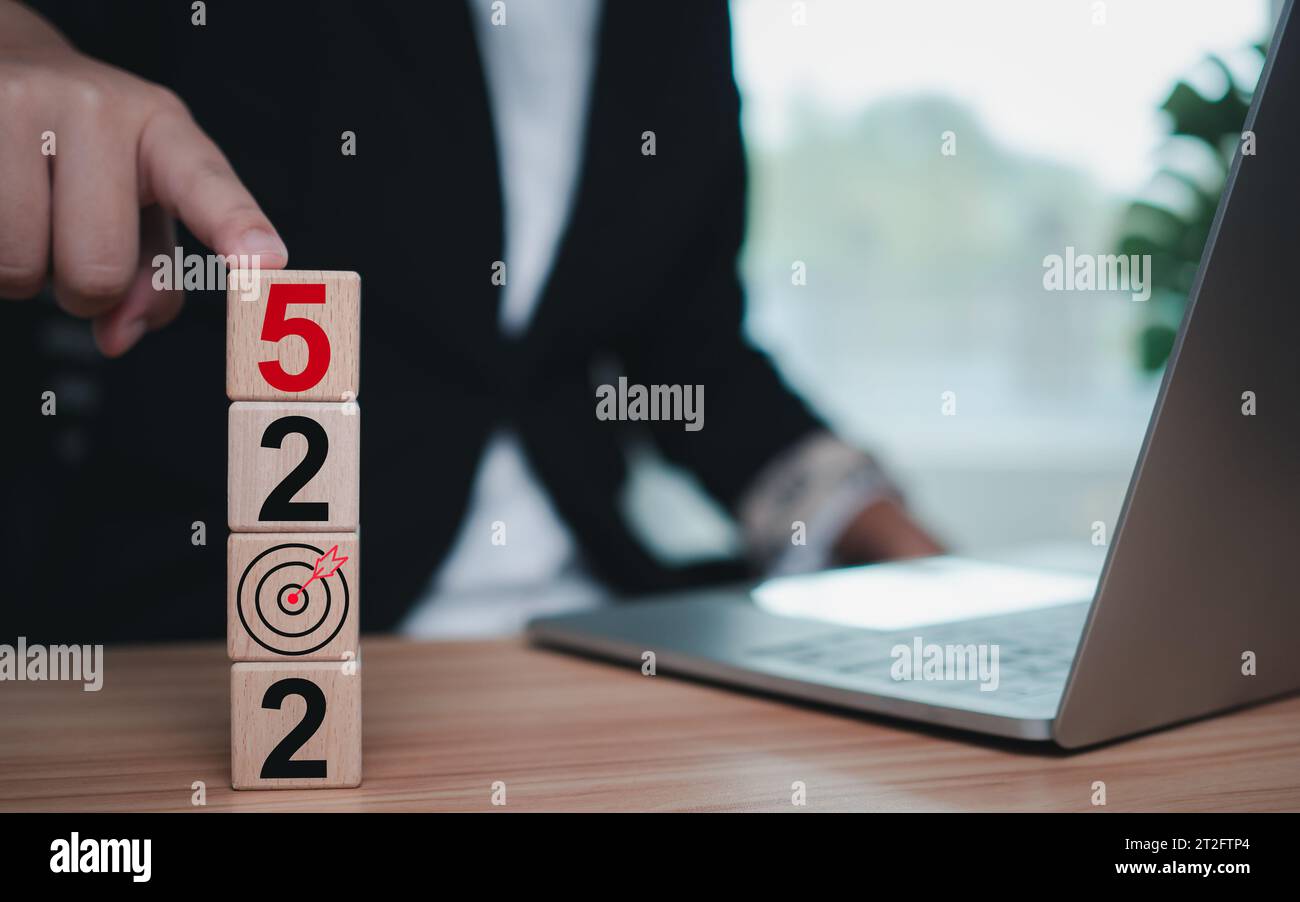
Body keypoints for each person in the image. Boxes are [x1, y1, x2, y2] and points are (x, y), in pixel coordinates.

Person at [0, 0, 941, 643]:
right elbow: (52, 46)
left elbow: (696, 360)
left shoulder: (677, 20)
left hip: (594, 635)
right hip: (219, 633)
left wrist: (924, 566)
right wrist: (24, 42)